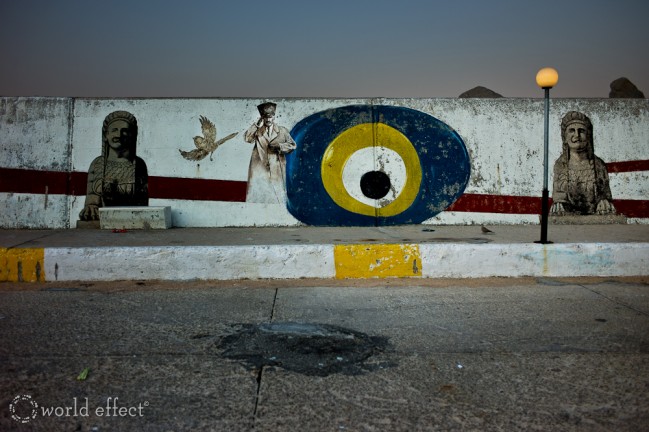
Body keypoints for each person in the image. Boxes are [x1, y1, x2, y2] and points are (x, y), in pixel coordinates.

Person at [79, 111, 148, 221]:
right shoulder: (98, 164)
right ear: (106, 135)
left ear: (132, 135)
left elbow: (142, 202)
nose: (119, 135)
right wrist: (91, 207)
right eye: (114, 130)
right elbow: (92, 198)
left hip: (131, 220)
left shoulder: (139, 164)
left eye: (124, 131)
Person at [550, 111, 615, 216]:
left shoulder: (598, 164)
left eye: (581, 131)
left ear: (588, 136)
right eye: (572, 131)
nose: (577, 135)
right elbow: (560, 196)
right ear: (565, 137)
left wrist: (603, 201)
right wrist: (559, 204)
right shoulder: (560, 165)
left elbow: (604, 195)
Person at [244, 102, 296, 204]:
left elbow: (293, 145)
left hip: (276, 167)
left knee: (277, 197)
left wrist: (280, 146)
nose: (268, 120)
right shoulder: (257, 131)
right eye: (265, 117)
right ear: (262, 118)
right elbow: (247, 138)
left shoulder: (282, 131)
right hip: (259, 167)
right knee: (258, 196)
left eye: (270, 117)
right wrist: (256, 124)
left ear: (274, 117)